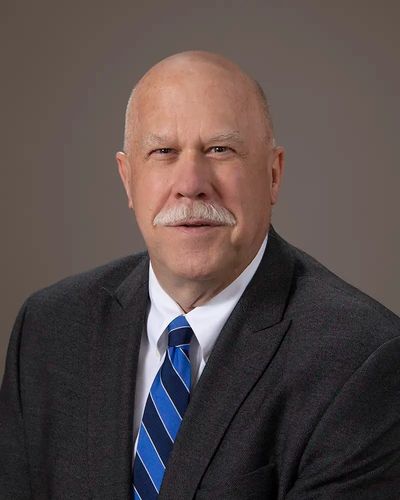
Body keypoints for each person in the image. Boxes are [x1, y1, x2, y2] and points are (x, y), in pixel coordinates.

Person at [1, 51, 399, 499]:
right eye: (163, 152)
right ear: (127, 179)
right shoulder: (50, 330)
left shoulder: (362, 359)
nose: (191, 184)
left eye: (220, 150)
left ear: (273, 175)